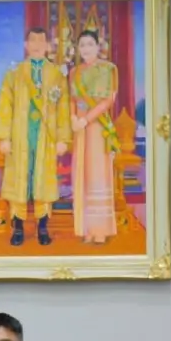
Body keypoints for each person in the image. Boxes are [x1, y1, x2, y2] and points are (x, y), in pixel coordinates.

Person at [0, 27, 72, 247]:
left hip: (46, 135)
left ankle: (42, 226)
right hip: (20, 134)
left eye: (41, 41)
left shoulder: (57, 74)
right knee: (19, 179)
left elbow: (64, 108)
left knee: (43, 181)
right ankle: (17, 226)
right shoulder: (15, 73)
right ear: (26, 45)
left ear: (48, 46)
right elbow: (5, 106)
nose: (37, 45)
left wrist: (63, 138)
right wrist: (4, 137)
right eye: (32, 41)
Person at [69, 29, 120, 244]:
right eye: (82, 45)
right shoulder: (74, 72)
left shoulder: (108, 69)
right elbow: (72, 98)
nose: (86, 49)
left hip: (97, 126)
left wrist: (85, 119)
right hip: (79, 128)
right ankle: (86, 228)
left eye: (90, 44)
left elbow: (108, 100)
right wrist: (73, 118)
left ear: (99, 46)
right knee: (82, 174)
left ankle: (100, 230)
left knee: (98, 175)